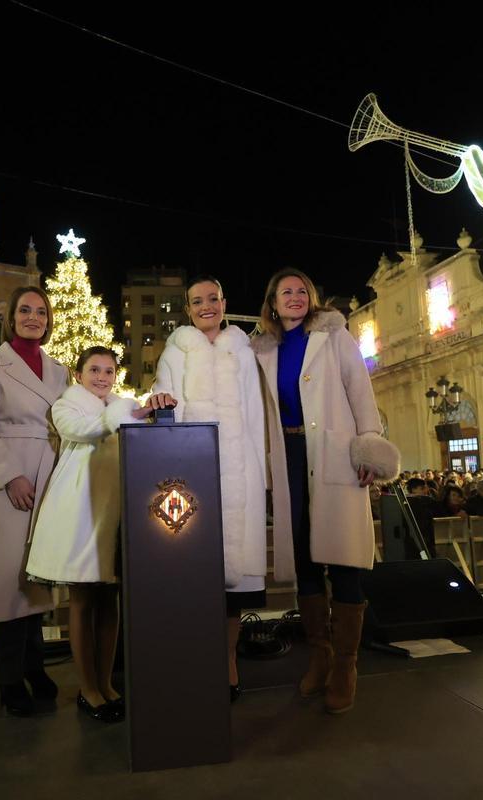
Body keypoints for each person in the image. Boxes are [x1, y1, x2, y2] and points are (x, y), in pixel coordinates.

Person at [251, 268, 399, 715]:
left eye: (302, 290)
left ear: (311, 298)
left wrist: (367, 444)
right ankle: (321, 655)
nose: (294, 297)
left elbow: (360, 390)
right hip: (289, 454)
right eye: (285, 292)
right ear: (272, 303)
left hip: (334, 454)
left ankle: (346, 666)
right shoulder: (264, 349)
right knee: (306, 561)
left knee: (345, 561)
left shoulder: (335, 336)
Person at [147, 275, 267, 702]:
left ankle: (228, 660)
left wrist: (260, 471)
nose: (206, 307)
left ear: (224, 301)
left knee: (236, 586)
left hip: (241, 469)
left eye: (212, 299)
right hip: (193, 473)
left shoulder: (242, 349)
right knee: (195, 573)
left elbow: (256, 413)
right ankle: (194, 659)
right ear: (188, 307)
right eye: (197, 301)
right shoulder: (176, 349)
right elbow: (163, 397)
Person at [0, 285, 69, 717]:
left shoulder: (58, 371)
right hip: (6, 484)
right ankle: (8, 680)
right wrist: (11, 476)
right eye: (25, 310)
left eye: (41, 311)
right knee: (6, 587)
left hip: (44, 478)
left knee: (33, 583)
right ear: (11, 317)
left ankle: (35, 667)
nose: (33, 317)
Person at [27, 348, 155, 722]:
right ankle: (87, 688)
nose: (102, 376)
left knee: (110, 600)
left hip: (115, 513)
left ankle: (106, 682)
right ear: (79, 373)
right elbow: (83, 430)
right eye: (94, 370)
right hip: (79, 512)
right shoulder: (67, 406)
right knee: (82, 601)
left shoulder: (119, 407)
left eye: (109, 370)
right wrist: (125, 413)